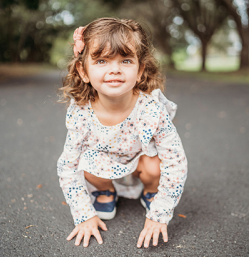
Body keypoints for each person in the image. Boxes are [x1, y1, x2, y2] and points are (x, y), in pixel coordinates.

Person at [57, 17, 187, 249]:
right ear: (83, 70)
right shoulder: (81, 112)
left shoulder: (151, 109)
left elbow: (176, 162)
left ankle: (150, 191)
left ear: (140, 70)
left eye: (126, 60)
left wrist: (160, 214)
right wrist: (84, 215)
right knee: (84, 161)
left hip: (141, 163)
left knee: (155, 165)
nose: (114, 69)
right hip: (104, 166)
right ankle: (105, 191)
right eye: (102, 61)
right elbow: (68, 165)